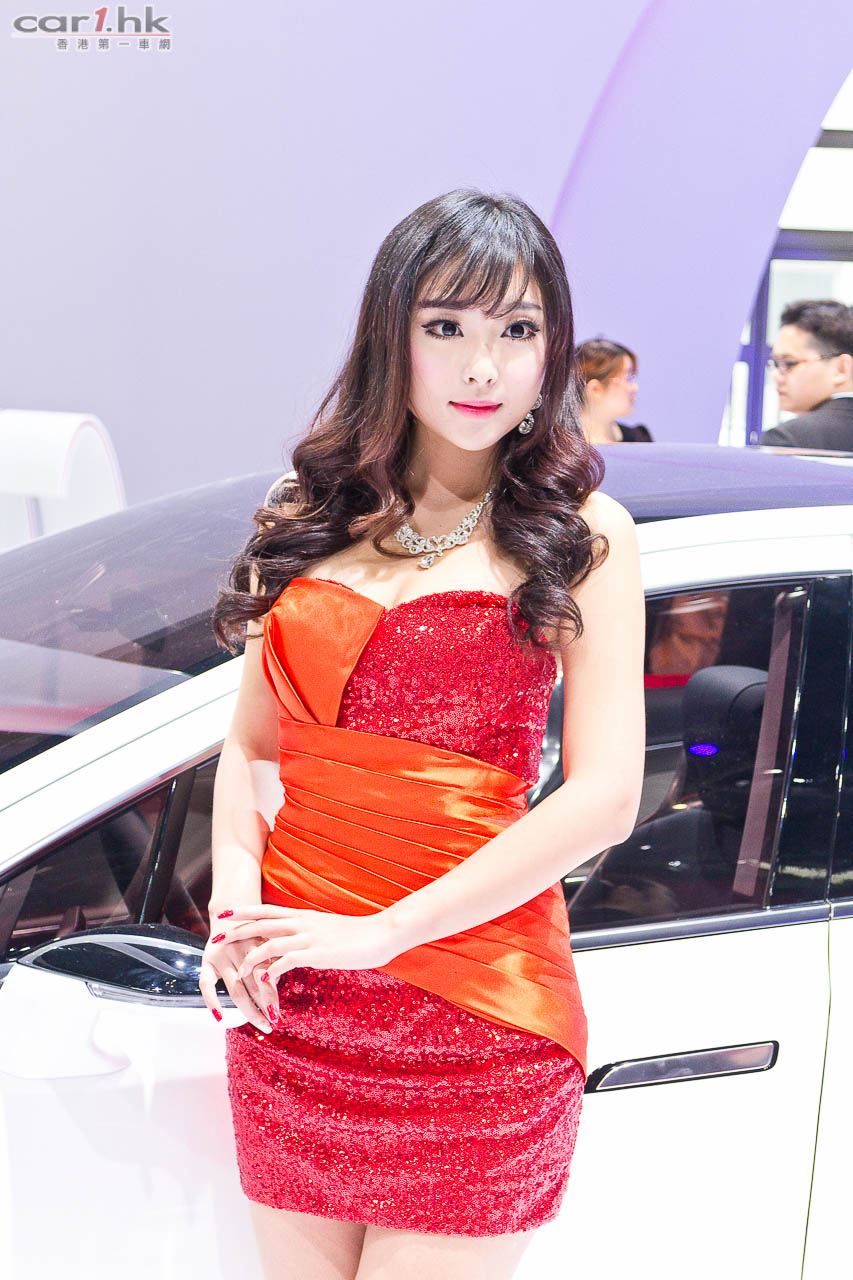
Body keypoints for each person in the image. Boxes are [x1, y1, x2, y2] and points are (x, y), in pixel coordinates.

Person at [201, 188, 645, 1280]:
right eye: (445, 325)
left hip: (475, 1008)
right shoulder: (308, 508)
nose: (482, 366)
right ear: (389, 334)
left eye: (517, 330)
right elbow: (252, 746)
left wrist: (384, 934)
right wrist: (233, 910)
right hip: (297, 1001)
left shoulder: (583, 535)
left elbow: (604, 796)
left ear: (551, 352)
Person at [759, 299, 853, 450]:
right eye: (776, 363)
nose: (775, 375)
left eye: (789, 363)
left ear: (842, 369)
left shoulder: (788, 439)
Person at [574, 338, 653, 443]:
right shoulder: (559, 445)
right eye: (627, 378)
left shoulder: (638, 439)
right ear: (596, 390)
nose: (634, 387)